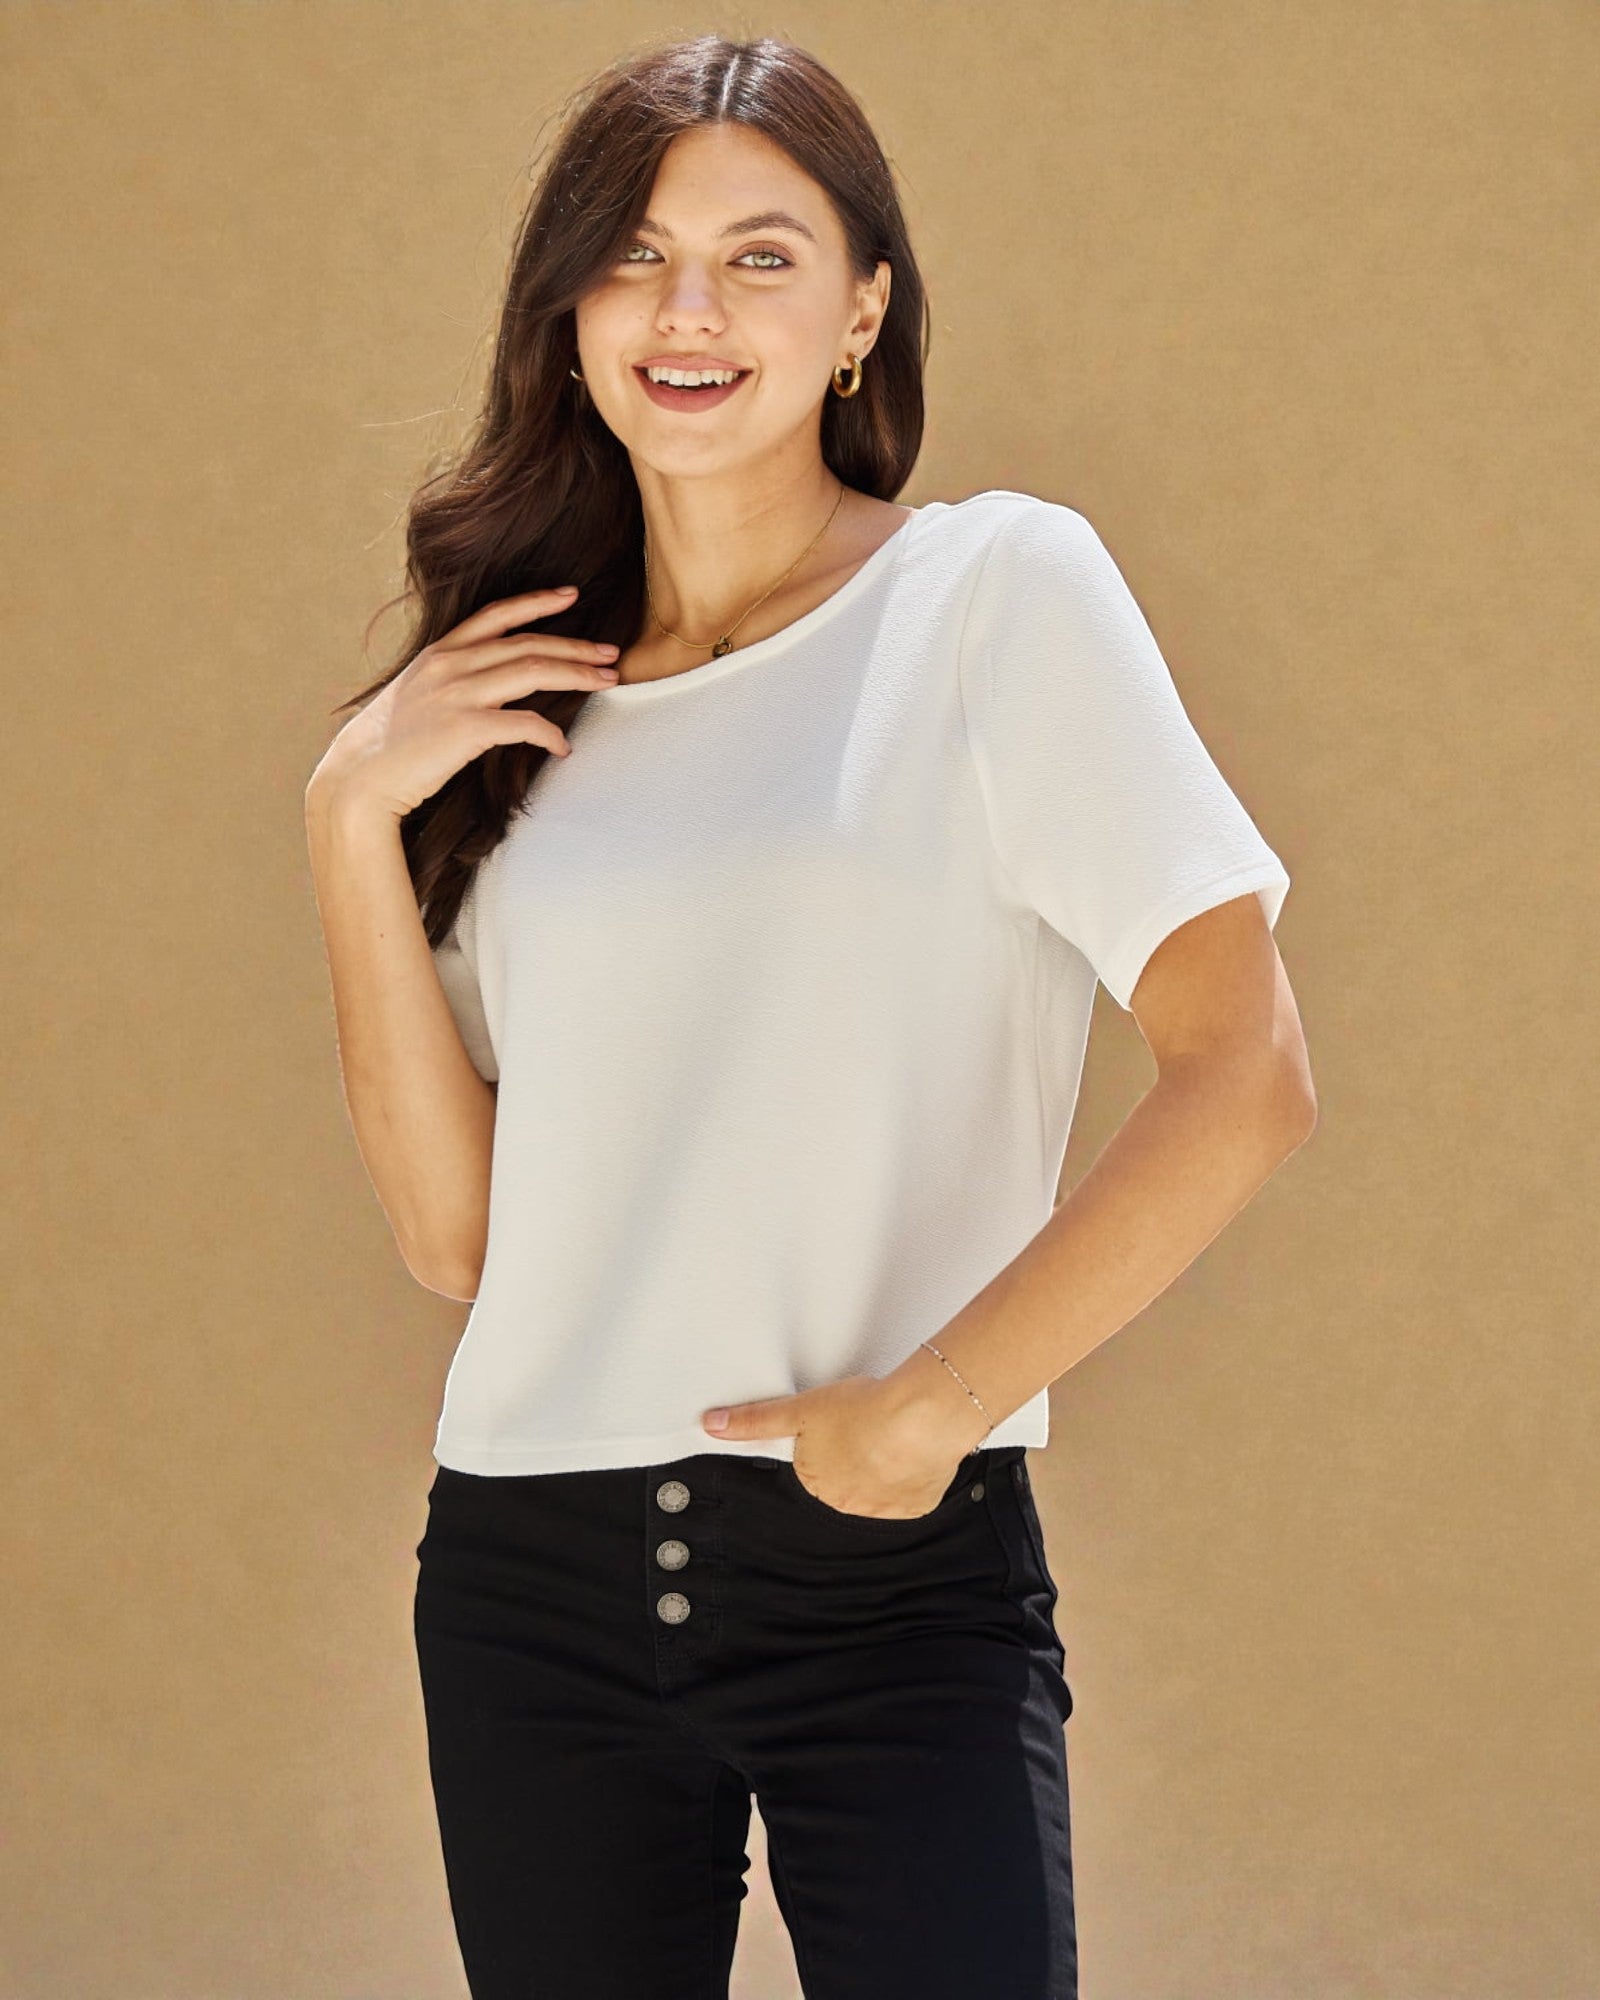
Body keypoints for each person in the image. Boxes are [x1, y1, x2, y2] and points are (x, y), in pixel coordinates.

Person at [304, 33, 1315, 2000]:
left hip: (888, 1565)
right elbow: (456, 1241)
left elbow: (1244, 1066)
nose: (688, 311)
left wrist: (932, 1407)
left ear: (861, 308)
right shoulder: (512, 698)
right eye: (635, 257)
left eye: (759, 256)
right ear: (568, 311)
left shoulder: (988, 594)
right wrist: (347, 815)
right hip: (526, 1576)